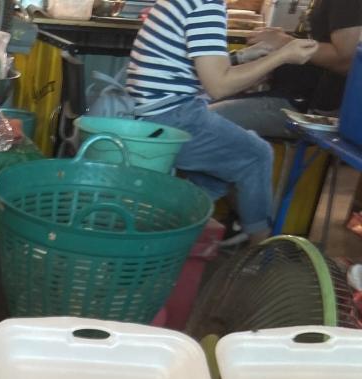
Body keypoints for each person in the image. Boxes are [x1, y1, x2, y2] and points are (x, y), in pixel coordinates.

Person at [126, 0, 317, 242]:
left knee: (216, 179)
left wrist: (241, 57)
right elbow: (219, 85)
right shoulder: (207, 6)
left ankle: (171, 231)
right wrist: (283, 55)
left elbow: (196, 65)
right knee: (256, 156)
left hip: (152, 115)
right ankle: (262, 251)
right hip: (172, 117)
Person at [212, 0, 362, 138]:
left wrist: (284, 42)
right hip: (286, 93)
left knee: (204, 122)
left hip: (305, 109)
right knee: (204, 108)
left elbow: (347, 60)